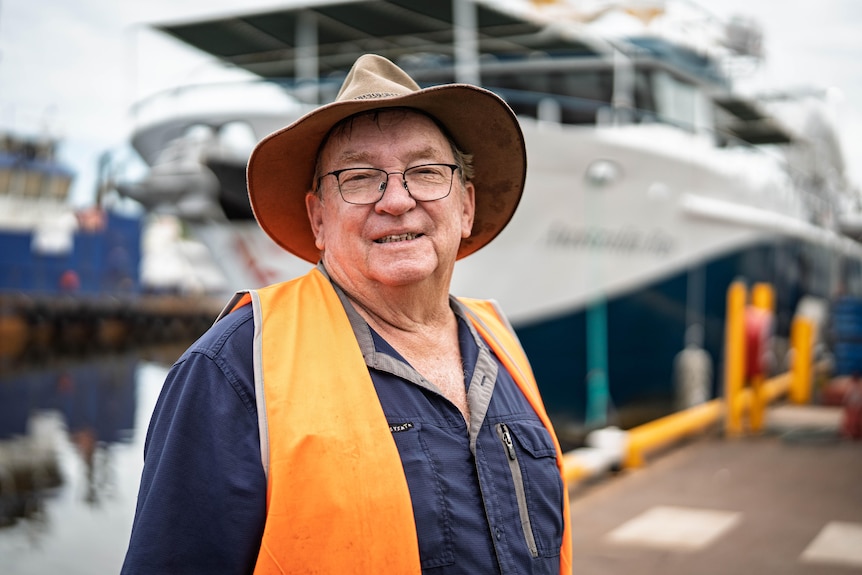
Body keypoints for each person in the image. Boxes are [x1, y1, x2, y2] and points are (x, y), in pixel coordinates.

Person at [121, 53, 572, 574]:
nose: (397, 200)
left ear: (465, 207)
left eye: (425, 172)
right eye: (359, 178)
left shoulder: (500, 340)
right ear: (318, 218)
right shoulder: (233, 370)